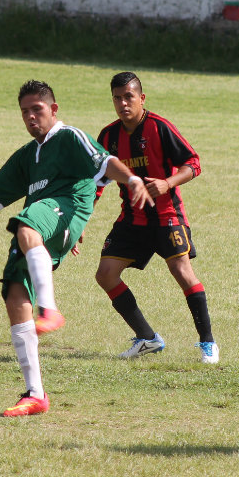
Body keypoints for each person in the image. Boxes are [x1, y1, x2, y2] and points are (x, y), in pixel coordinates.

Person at [0, 80, 153, 416]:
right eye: (24, 111)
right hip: (43, 219)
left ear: (53, 110)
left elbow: (106, 162)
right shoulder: (27, 155)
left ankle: (50, 310)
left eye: (37, 109)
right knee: (13, 294)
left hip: (66, 209)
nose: (30, 116)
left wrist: (133, 179)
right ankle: (35, 394)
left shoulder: (69, 138)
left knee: (26, 226)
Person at [90, 71, 219, 363]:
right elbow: (97, 181)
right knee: (106, 274)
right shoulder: (108, 136)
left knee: (182, 272)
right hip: (131, 220)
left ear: (141, 98)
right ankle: (148, 339)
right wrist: (80, 219)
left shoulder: (160, 128)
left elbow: (193, 163)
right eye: (117, 98)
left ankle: (207, 343)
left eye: (129, 97)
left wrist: (167, 183)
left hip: (166, 216)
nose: (123, 103)